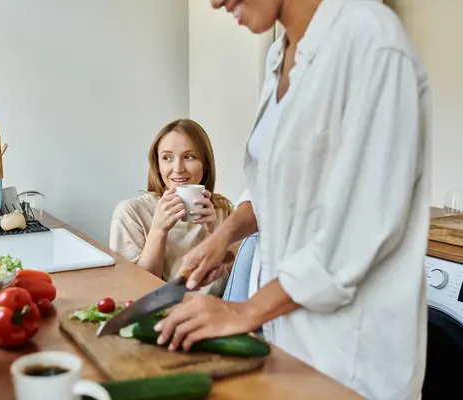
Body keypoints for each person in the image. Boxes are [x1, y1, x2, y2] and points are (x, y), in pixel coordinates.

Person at [153, 1, 431, 399]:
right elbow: (277, 188)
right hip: (290, 340)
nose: (213, 2)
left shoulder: (370, 41)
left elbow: (360, 228)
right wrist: (224, 233)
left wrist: (243, 311)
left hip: (352, 360)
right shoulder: (279, 55)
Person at [109, 119, 235, 297]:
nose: (177, 168)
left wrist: (219, 233)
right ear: (158, 166)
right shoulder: (131, 213)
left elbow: (241, 282)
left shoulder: (222, 210)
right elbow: (134, 291)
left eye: (189, 156)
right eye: (167, 158)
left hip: (214, 315)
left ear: (205, 164)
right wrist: (159, 229)